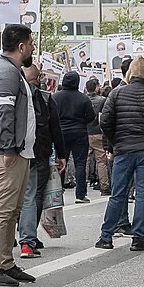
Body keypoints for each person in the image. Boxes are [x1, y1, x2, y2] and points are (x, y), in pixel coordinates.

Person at [96, 57, 144, 251]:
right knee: (142, 195)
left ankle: (106, 237)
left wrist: (115, 141)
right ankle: (139, 237)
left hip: (123, 149)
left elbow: (105, 121)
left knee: (117, 194)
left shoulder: (116, 93)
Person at [0, 24, 37, 286]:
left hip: (16, 150)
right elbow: (4, 112)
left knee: (12, 209)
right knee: (2, 209)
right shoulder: (7, 73)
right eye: (31, 43)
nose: (33, 48)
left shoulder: (9, 71)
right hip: (7, 152)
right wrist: (9, 147)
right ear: (22, 46)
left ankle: (5, 262)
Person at [18, 64, 66, 258]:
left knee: (13, 195)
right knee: (34, 195)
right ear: (37, 78)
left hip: (16, 151)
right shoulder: (45, 98)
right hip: (40, 152)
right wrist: (61, 153)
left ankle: (15, 235)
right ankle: (28, 237)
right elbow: (56, 128)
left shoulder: (15, 94)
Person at [52, 71, 96, 204]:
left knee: (60, 162)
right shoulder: (83, 98)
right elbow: (91, 117)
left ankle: (57, 193)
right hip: (79, 132)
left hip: (61, 132)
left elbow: (51, 116)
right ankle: (81, 194)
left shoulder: (55, 97)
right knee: (80, 163)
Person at [86, 79, 110, 196]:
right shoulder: (102, 100)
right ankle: (104, 186)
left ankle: (82, 185)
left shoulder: (83, 99)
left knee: (84, 160)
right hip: (98, 132)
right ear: (96, 87)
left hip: (85, 132)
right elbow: (103, 118)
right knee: (101, 161)